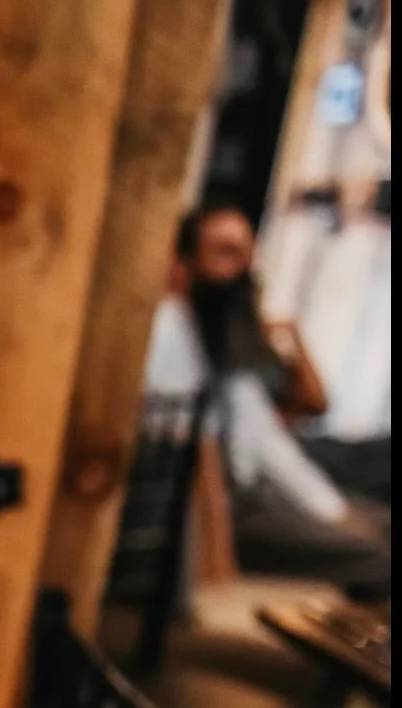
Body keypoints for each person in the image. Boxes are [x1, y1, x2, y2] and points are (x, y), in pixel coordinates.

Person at [155, 204, 390, 601]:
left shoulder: (243, 338)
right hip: (248, 491)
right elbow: (224, 457)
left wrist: (292, 338)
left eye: (246, 255)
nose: (241, 267)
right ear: (188, 259)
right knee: (376, 549)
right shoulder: (181, 334)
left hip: (285, 462)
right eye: (225, 252)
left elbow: (313, 404)